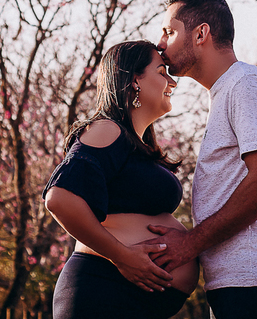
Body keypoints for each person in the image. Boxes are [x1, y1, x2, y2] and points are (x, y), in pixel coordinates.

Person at [148, 0, 257, 319]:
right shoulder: (227, 91)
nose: (160, 43)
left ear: (201, 33)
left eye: (169, 31)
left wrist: (190, 244)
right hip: (244, 284)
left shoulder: (245, 85)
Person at [43, 40, 198, 319]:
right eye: (162, 72)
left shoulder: (136, 145)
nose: (172, 82)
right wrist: (122, 256)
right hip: (103, 292)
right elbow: (59, 198)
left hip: (130, 299)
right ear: (135, 79)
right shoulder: (107, 129)